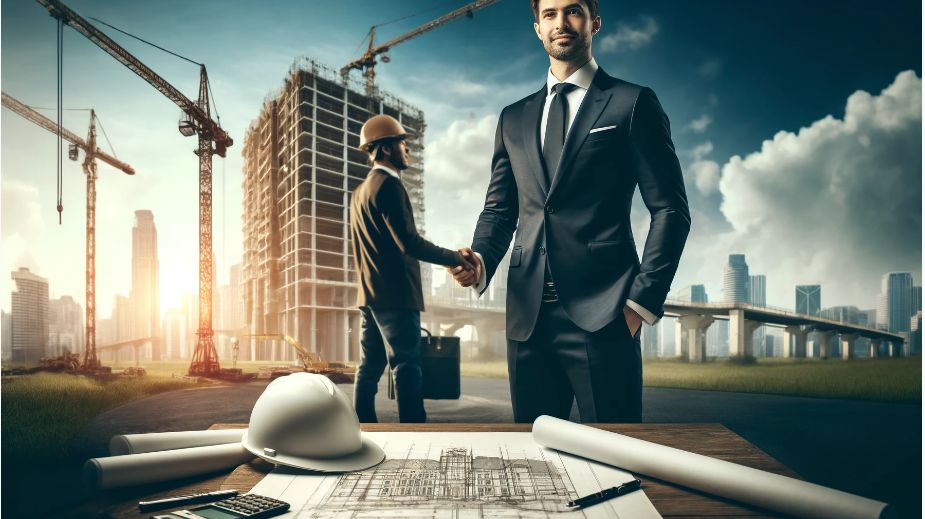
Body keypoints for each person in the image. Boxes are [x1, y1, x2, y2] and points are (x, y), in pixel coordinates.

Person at [452, 0, 690, 423]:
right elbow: (499, 211)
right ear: (537, 29)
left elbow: (670, 209)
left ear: (594, 23)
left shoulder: (631, 103)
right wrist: (481, 259)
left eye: (573, 11)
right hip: (527, 319)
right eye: (550, 14)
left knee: (616, 457)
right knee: (534, 463)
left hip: (605, 315)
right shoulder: (513, 118)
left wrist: (639, 304)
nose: (561, 22)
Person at [350, 114, 475, 423]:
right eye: (403, 142)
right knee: (407, 365)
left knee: (369, 366)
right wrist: (455, 258)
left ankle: (361, 426)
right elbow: (410, 243)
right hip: (396, 295)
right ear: (387, 148)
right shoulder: (390, 186)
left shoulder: (359, 192)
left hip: (369, 295)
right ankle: (414, 432)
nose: (408, 149)